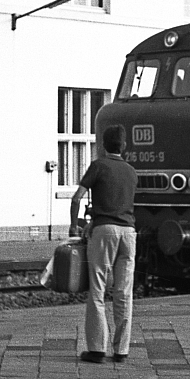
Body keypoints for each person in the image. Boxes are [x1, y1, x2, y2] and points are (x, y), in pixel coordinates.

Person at [70, 126, 137, 364]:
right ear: (124, 146)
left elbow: (77, 198)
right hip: (129, 233)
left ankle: (97, 349)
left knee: (97, 289)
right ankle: (121, 350)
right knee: (124, 292)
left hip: (104, 232)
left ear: (102, 145)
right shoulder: (131, 171)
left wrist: (74, 225)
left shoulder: (98, 166)